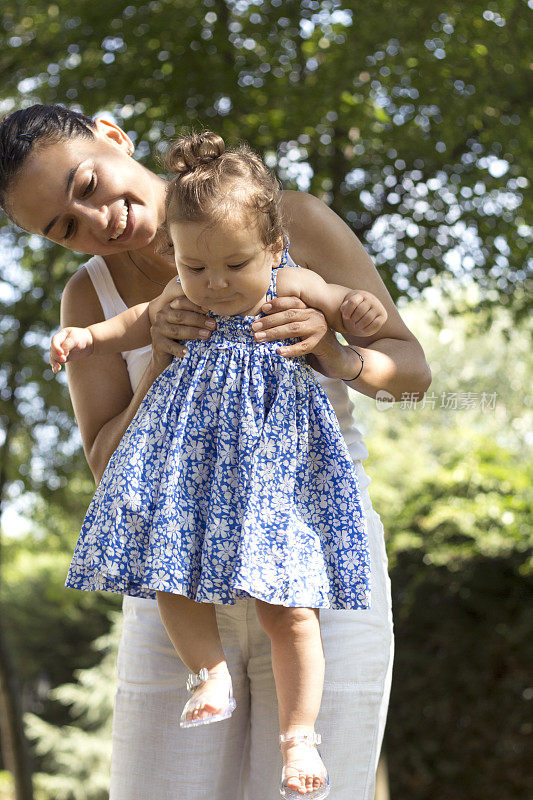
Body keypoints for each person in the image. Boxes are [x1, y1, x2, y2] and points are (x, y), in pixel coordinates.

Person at [0, 104, 431, 800]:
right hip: (177, 580)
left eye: (87, 185)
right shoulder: (91, 299)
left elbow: (410, 376)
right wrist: (166, 361)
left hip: (314, 562)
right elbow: (108, 466)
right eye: (64, 227)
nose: (97, 220)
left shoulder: (292, 221)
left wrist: (332, 352)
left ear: (112, 136)